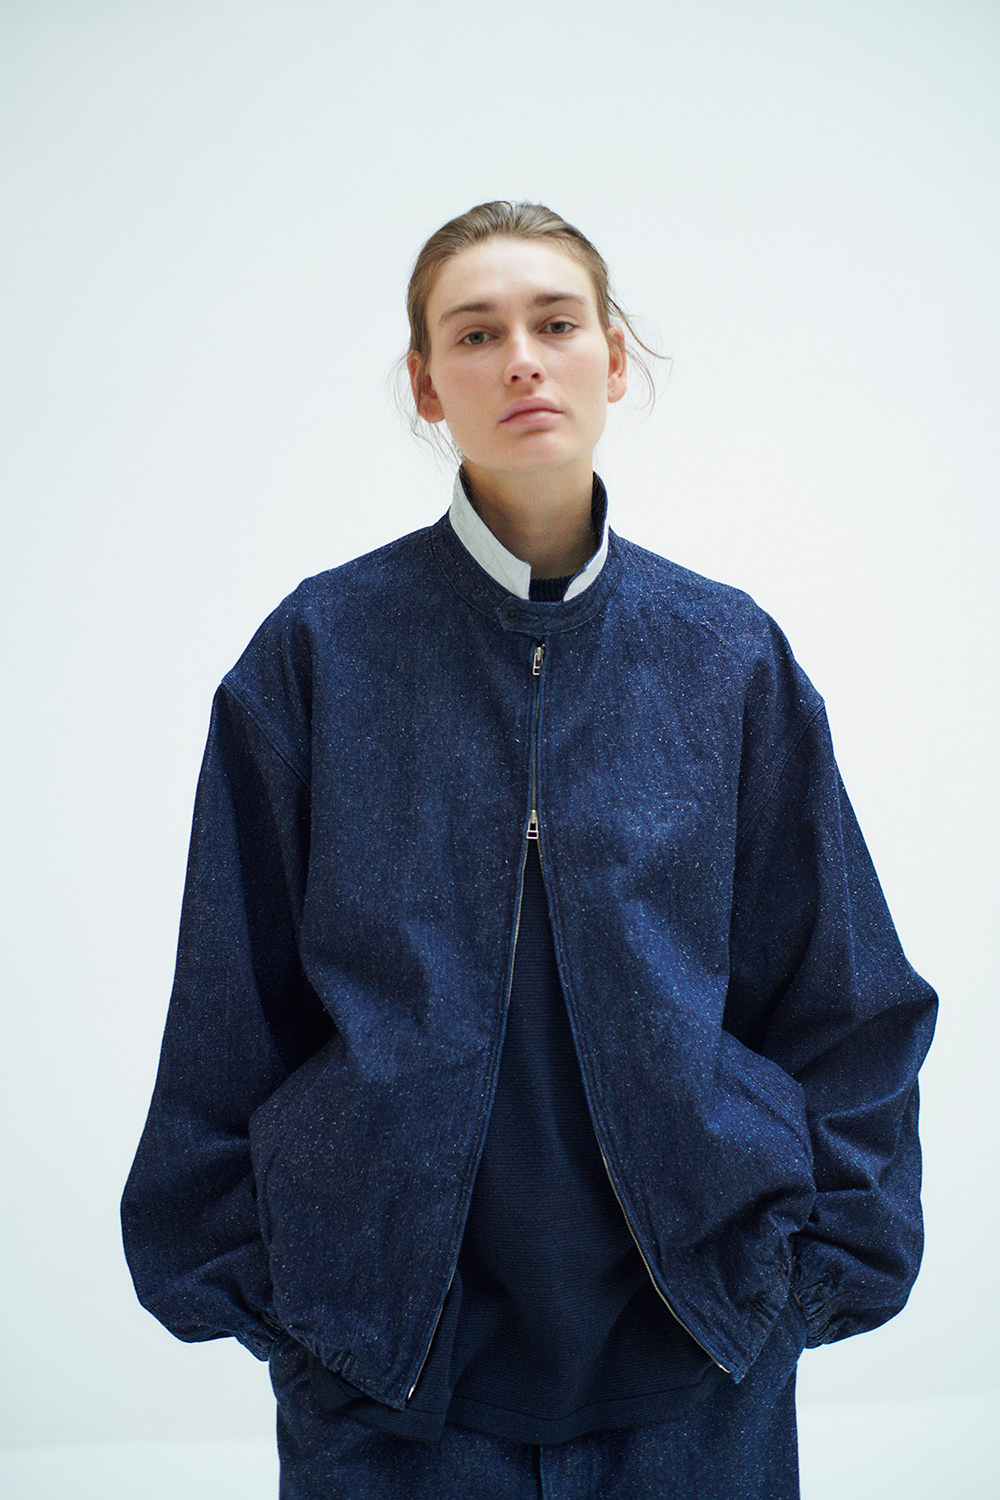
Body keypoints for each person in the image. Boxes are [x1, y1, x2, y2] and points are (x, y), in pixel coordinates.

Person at [122, 201, 937, 1500]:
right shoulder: (320, 652)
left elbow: (845, 998)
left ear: (615, 359)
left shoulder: (727, 656)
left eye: (556, 324)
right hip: (386, 1375)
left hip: (698, 1362)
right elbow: (230, 1001)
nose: (521, 360)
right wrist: (281, 1304)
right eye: (475, 332)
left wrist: (803, 1283)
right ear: (424, 384)